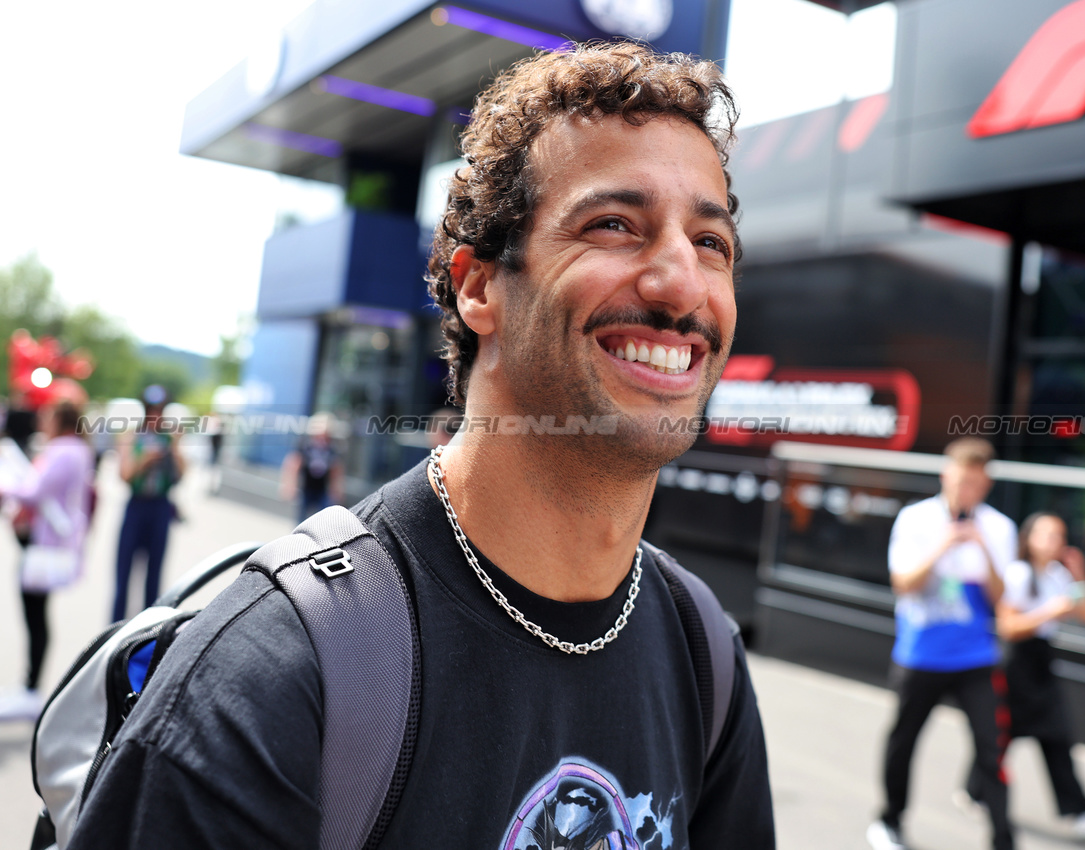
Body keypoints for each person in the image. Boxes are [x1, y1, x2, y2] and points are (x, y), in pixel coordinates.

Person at [71, 42, 774, 848]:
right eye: (613, 224)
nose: (681, 283)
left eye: (710, 243)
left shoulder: (702, 652)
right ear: (479, 287)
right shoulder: (278, 674)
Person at [868, 437, 1018, 850]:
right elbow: (903, 584)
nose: (967, 489)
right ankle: (890, 820)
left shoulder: (999, 528)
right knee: (904, 740)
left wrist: (982, 549)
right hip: (922, 655)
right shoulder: (915, 519)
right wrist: (943, 545)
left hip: (976, 657)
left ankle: (1004, 839)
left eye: (976, 482)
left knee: (993, 749)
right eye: (962, 479)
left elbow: (1002, 599)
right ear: (946, 475)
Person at [984, 512, 1085, 841]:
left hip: (1042, 661)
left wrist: (1079, 575)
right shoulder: (1018, 574)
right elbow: (1008, 627)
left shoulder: (1059, 576)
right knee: (1001, 734)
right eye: (1046, 534)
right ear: (1029, 539)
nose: (1054, 542)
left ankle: (1082, 811)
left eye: (1059, 536)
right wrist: (1049, 612)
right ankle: (977, 789)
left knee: (1056, 735)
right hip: (1016, 662)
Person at [0, 401, 95, 721]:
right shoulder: (78, 450)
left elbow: (33, 491)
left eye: (48, 415)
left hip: (44, 545)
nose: (43, 420)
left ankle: (30, 688)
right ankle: (30, 686)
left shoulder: (63, 450)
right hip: (54, 543)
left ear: (60, 419)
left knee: (35, 615)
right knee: (38, 615)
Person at [111, 385, 185, 622]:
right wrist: (144, 459)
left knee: (154, 577)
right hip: (136, 507)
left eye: (159, 411)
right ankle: (115, 628)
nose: (155, 416)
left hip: (160, 508)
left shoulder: (168, 437)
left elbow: (182, 474)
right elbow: (124, 475)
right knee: (123, 575)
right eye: (151, 410)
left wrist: (175, 446)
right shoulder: (131, 436)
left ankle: (148, 629)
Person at [279, 411, 344, 521]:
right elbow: (293, 464)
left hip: (322, 488)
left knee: (323, 518)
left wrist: (336, 490)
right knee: (301, 517)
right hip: (306, 487)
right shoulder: (305, 444)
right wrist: (289, 485)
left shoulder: (332, 447)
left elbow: (336, 469)